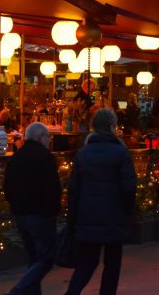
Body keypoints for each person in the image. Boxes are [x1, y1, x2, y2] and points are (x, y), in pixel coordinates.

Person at [64, 108, 137, 295]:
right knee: (112, 264)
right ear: (112, 127)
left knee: (87, 262)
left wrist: (73, 217)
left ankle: (72, 292)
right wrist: (128, 211)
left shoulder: (83, 153)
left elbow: (73, 189)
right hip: (114, 216)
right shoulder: (121, 153)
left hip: (88, 215)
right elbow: (129, 186)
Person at [3, 122, 61, 295]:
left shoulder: (16, 157)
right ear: (39, 137)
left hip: (21, 214)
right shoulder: (45, 157)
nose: (48, 141)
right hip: (41, 214)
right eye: (47, 137)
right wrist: (54, 210)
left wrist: (14, 205)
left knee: (34, 258)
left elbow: (7, 186)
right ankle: (18, 291)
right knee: (46, 258)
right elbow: (52, 187)